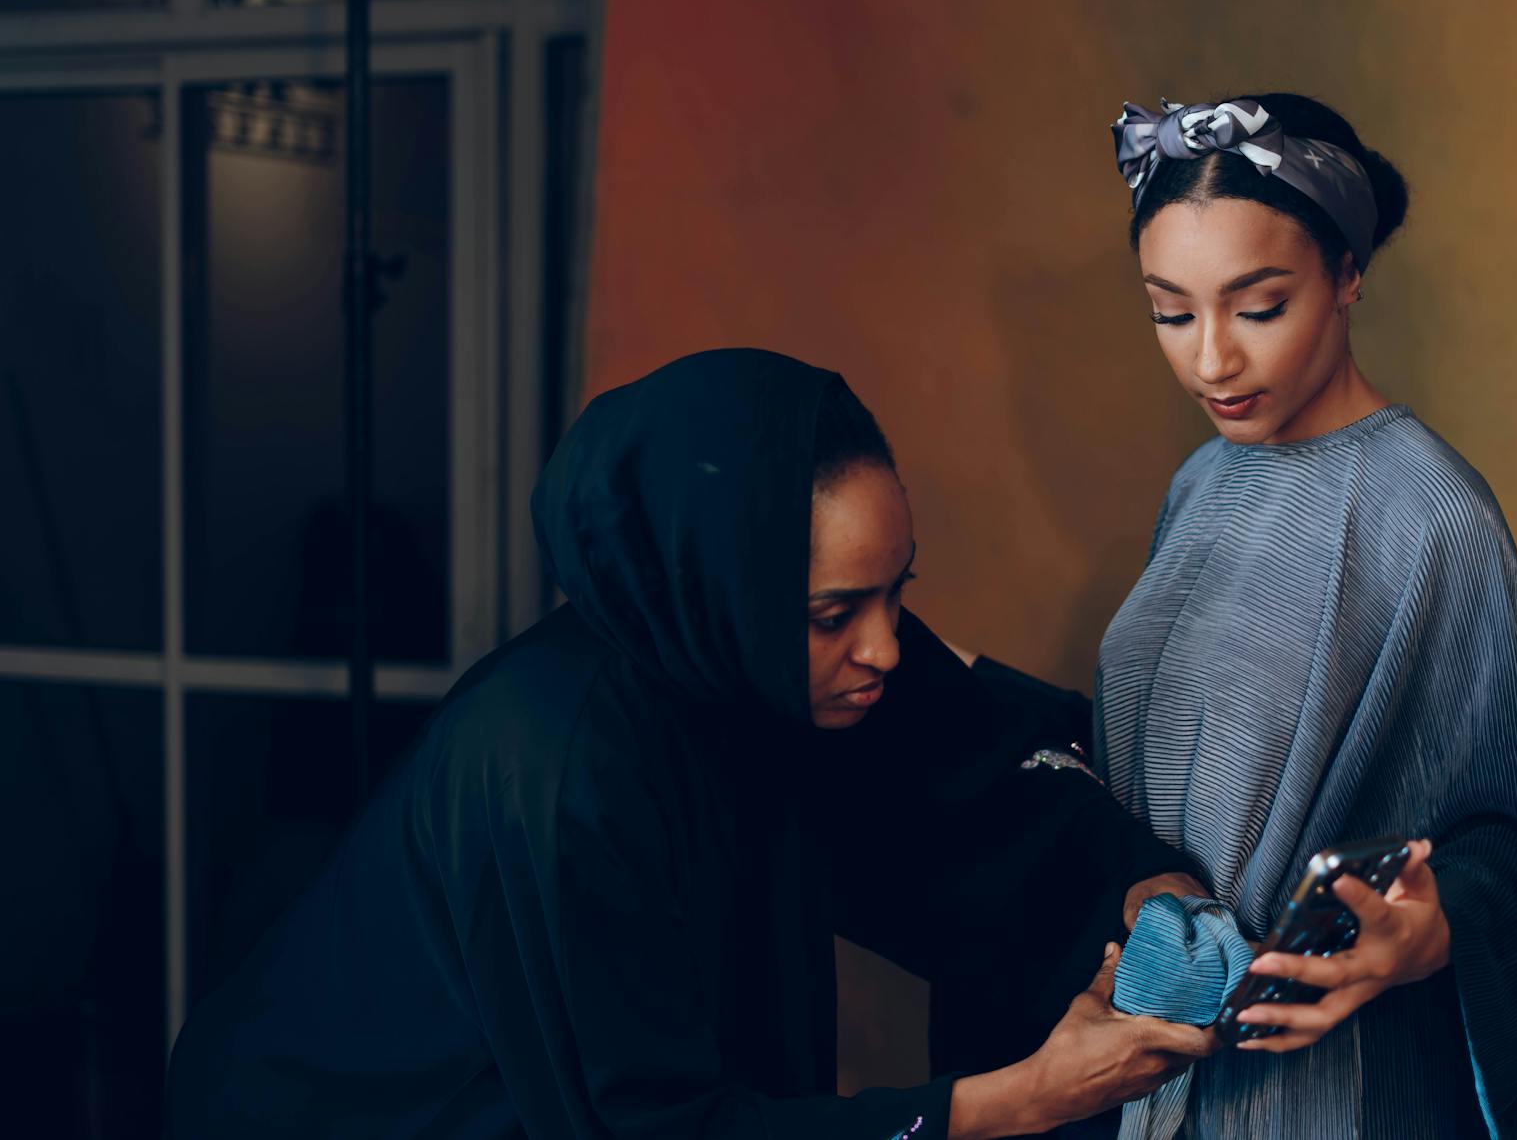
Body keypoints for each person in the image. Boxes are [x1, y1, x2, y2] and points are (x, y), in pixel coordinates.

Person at [166, 348, 1219, 1139]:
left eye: (897, 591)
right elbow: (659, 1130)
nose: (884, 647)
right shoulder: (555, 767)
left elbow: (997, 771)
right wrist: (1015, 1098)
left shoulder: (780, 658)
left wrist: (1144, 885)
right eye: (833, 611)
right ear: (719, 591)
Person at [945, 95, 1517, 1138]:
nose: (1209, 360)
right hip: (1154, 1060)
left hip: (1326, 1084)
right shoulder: (1199, 481)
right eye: (1169, 310)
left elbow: (1515, 841)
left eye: (1256, 306)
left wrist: (1423, 933)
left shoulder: (1432, 515)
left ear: (1345, 274)